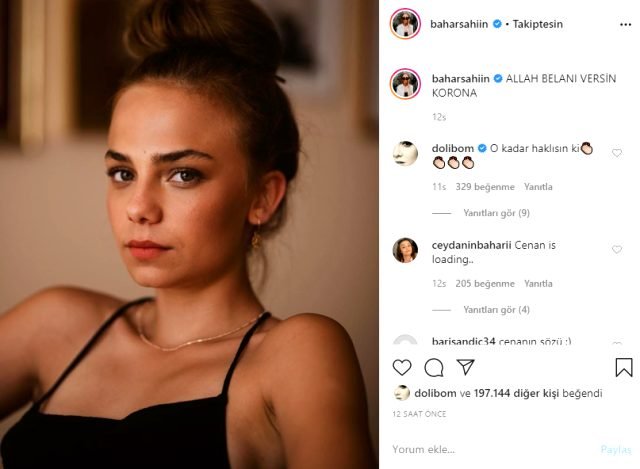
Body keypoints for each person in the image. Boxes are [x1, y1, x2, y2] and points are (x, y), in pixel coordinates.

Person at [0, 1, 375, 468]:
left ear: (262, 197)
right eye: (122, 173)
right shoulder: (54, 326)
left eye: (182, 174)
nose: (139, 208)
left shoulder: (295, 355)